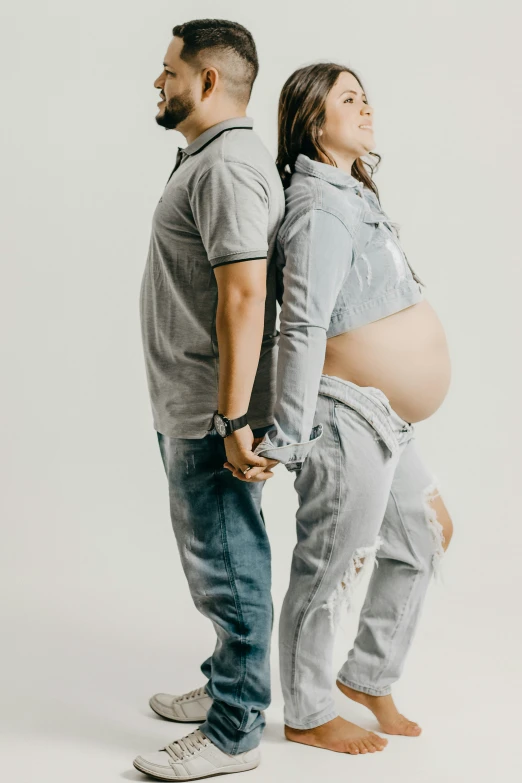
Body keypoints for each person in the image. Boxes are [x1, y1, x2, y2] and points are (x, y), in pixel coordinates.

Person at [227, 62, 454, 756]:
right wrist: (290, 433)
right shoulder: (319, 207)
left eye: (366, 96)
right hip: (341, 412)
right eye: (347, 99)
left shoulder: (351, 195)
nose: (365, 106)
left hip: (383, 412)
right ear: (312, 121)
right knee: (331, 562)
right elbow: (301, 326)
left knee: (425, 534)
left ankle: (366, 675)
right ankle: (308, 707)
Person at [135, 19, 283, 781]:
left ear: (208, 82)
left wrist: (232, 419)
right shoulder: (209, 158)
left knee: (229, 564)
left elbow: (245, 294)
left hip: (210, 409)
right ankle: (229, 683)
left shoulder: (225, 168)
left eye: (168, 72)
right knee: (217, 560)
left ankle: (233, 729)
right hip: (193, 400)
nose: (157, 83)